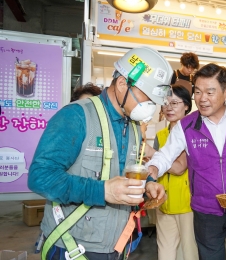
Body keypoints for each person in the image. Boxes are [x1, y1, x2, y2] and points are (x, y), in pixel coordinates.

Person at [28, 46, 173, 260]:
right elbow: (40, 178)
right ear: (123, 84)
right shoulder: (76, 116)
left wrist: (148, 183)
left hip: (117, 245)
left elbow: (124, 171)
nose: (150, 108)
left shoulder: (132, 126)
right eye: (148, 99)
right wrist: (102, 191)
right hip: (72, 246)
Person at [147, 63, 226, 260]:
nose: (202, 99)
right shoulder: (186, 125)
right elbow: (166, 155)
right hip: (205, 212)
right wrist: (152, 168)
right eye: (198, 92)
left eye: (210, 92)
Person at [152, 85, 198, 260]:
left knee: (189, 254)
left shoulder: (192, 133)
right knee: (165, 254)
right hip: (163, 203)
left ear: (186, 105)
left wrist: (152, 153)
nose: (169, 107)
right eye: (165, 103)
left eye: (175, 103)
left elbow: (180, 168)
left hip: (188, 205)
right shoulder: (160, 135)